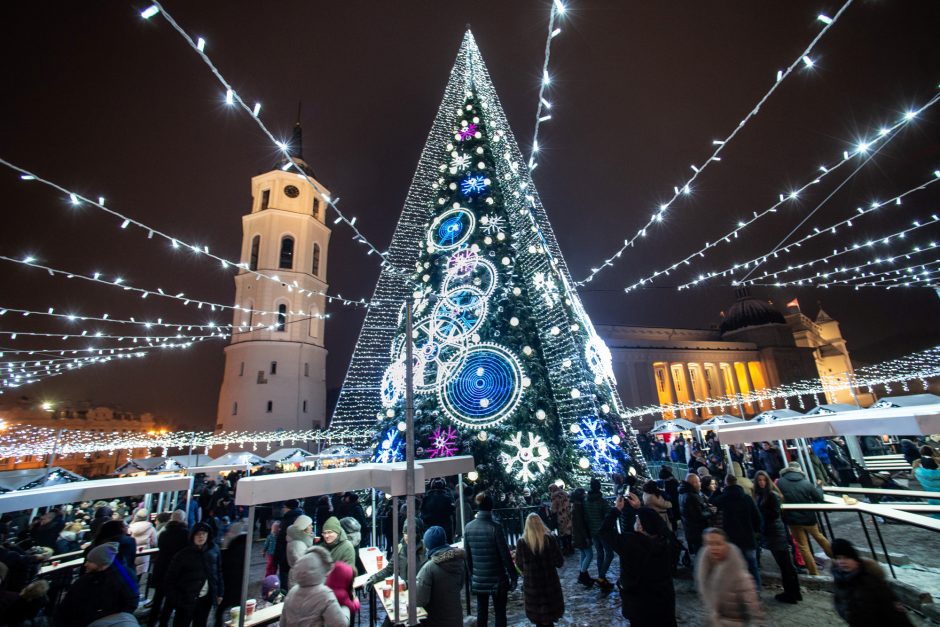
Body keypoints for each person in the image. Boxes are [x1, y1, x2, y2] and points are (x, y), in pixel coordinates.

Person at [601, 494, 677, 626]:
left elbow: (604, 532)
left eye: (637, 520)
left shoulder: (631, 543)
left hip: (639, 602)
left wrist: (616, 510)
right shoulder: (666, 541)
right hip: (664, 599)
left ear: (641, 526)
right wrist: (640, 508)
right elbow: (658, 522)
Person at [831, 538, 912, 626]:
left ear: (856, 560)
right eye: (839, 558)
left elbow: (894, 611)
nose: (842, 562)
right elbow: (839, 602)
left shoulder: (870, 580)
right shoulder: (839, 580)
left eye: (847, 557)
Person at [464, 492, 517, 627]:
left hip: (479, 578)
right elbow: (505, 555)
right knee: (500, 613)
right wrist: (513, 576)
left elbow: (468, 557)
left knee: (482, 612)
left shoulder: (468, 527)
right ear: (491, 507)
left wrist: (472, 576)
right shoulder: (495, 527)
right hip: (497, 579)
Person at [56, 542, 138, 627]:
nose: (86, 564)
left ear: (102, 564)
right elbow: (67, 606)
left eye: (90, 561)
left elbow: (131, 601)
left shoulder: (124, 577)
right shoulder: (85, 579)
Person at [696, 528, 765, 626]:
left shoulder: (740, 575)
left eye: (718, 543)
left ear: (725, 545)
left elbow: (753, 604)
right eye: (710, 543)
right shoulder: (704, 569)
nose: (714, 548)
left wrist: (759, 622)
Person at [752, 470, 801, 603]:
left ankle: (792, 593)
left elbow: (774, 514)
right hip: (772, 533)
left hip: (776, 533)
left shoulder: (771, 496)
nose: (761, 482)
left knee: (785, 565)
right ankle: (793, 592)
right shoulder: (761, 495)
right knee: (785, 565)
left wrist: (759, 510)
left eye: (763, 480)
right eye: (759, 480)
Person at [162, 522, 222, 627]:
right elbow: (169, 581)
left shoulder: (214, 550)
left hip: (205, 600)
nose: (201, 536)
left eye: (204, 533)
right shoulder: (182, 555)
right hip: (186, 600)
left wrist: (219, 593)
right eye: (198, 534)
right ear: (192, 536)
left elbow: (218, 572)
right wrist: (178, 601)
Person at [776, 461, 831, 575]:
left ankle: (813, 572)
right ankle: (834, 555)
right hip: (808, 517)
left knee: (803, 546)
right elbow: (818, 497)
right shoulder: (805, 483)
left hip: (792, 518)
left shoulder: (780, 482)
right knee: (819, 537)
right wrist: (819, 486)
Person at [709, 474, 762, 587]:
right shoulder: (746, 498)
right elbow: (757, 517)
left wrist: (718, 489)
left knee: (735, 567)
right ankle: (756, 591)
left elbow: (712, 500)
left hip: (732, 539)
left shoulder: (725, 498)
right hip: (748, 537)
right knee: (753, 566)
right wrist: (757, 532)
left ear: (726, 483)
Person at [279, 546, 349, 627]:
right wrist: (346, 608)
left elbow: (282, 624)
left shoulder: (292, 591)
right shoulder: (324, 593)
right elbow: (340, 624)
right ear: (321, 569)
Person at [514, 513, 564, 627]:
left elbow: (519, 564)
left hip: (533, 588)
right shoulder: (550, 539)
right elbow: (559, 562)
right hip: (550, 587)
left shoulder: (522, 542)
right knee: (550, 620)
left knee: (538, 622)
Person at [414, 525, 465, 627]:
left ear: (428, 545)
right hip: (456, 619)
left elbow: (420, 600)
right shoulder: (459, 560)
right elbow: (460, 585)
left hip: (435, 621)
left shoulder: (429, 568)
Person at [148, 510, 189, 627]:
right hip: (175, 572)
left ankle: (151, 622)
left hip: (161, 569)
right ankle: (163, 622)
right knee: (170, 601)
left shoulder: (164, 532)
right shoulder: (185, 534)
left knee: (157, 599)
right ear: (183, 519)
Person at [583, 478, 614, 589]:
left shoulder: (586, 501)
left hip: (593, 531)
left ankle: (602, 578)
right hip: (602, 531)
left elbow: (586, 517)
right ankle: (601, 577)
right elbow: (609, 514)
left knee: (600, 554)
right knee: (609, 554)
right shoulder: (601, 501)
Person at [215, 521, 248, 627]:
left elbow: (226, 564)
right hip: (236, 583)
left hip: (231, 582)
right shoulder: (242, 544)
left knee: (224, 607)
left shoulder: (235, 545)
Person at [678, 473, 714, 558]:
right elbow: (698, 515)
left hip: (691, 530)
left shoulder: (683, 492)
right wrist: (711, 512)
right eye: (698, 481)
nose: (700, 483)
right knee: (702, 556)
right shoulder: (691, 496)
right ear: (694, 483)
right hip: (697, 532)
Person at [274, 500, 304, 590]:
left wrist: (276, 556)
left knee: (285, 576)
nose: (283, 509)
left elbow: (281, 539)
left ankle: (285, 595)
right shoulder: (300, 517)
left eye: (284, 507)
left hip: (285, 552)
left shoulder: (287, 519)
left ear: (288, 508)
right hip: (296, 551)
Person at [569, 487, 593, 586]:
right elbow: (580, 523)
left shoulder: (575, 505)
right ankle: (582, 574)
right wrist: (586, 536)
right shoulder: (578, 507)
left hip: (577, 534)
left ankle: (583, 574)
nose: (585, 495)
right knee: (589, 554)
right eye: (583, 494)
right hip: (581, 535)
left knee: (584, 553)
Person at [129, 509, 158, 590]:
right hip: (144, 553)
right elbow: (154, 542)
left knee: (130, 574)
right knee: (139, 575)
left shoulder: (130, 527)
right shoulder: (151, 528)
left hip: (132, 553)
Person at [548, 484, 573, 555]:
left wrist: (551, 511)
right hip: (568, 514)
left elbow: (553, 509)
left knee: (562, 532)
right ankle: (570, 547)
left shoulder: (554, 496)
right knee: (569, 531)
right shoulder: (565, 493)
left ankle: (565, 548)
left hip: (560, 516)